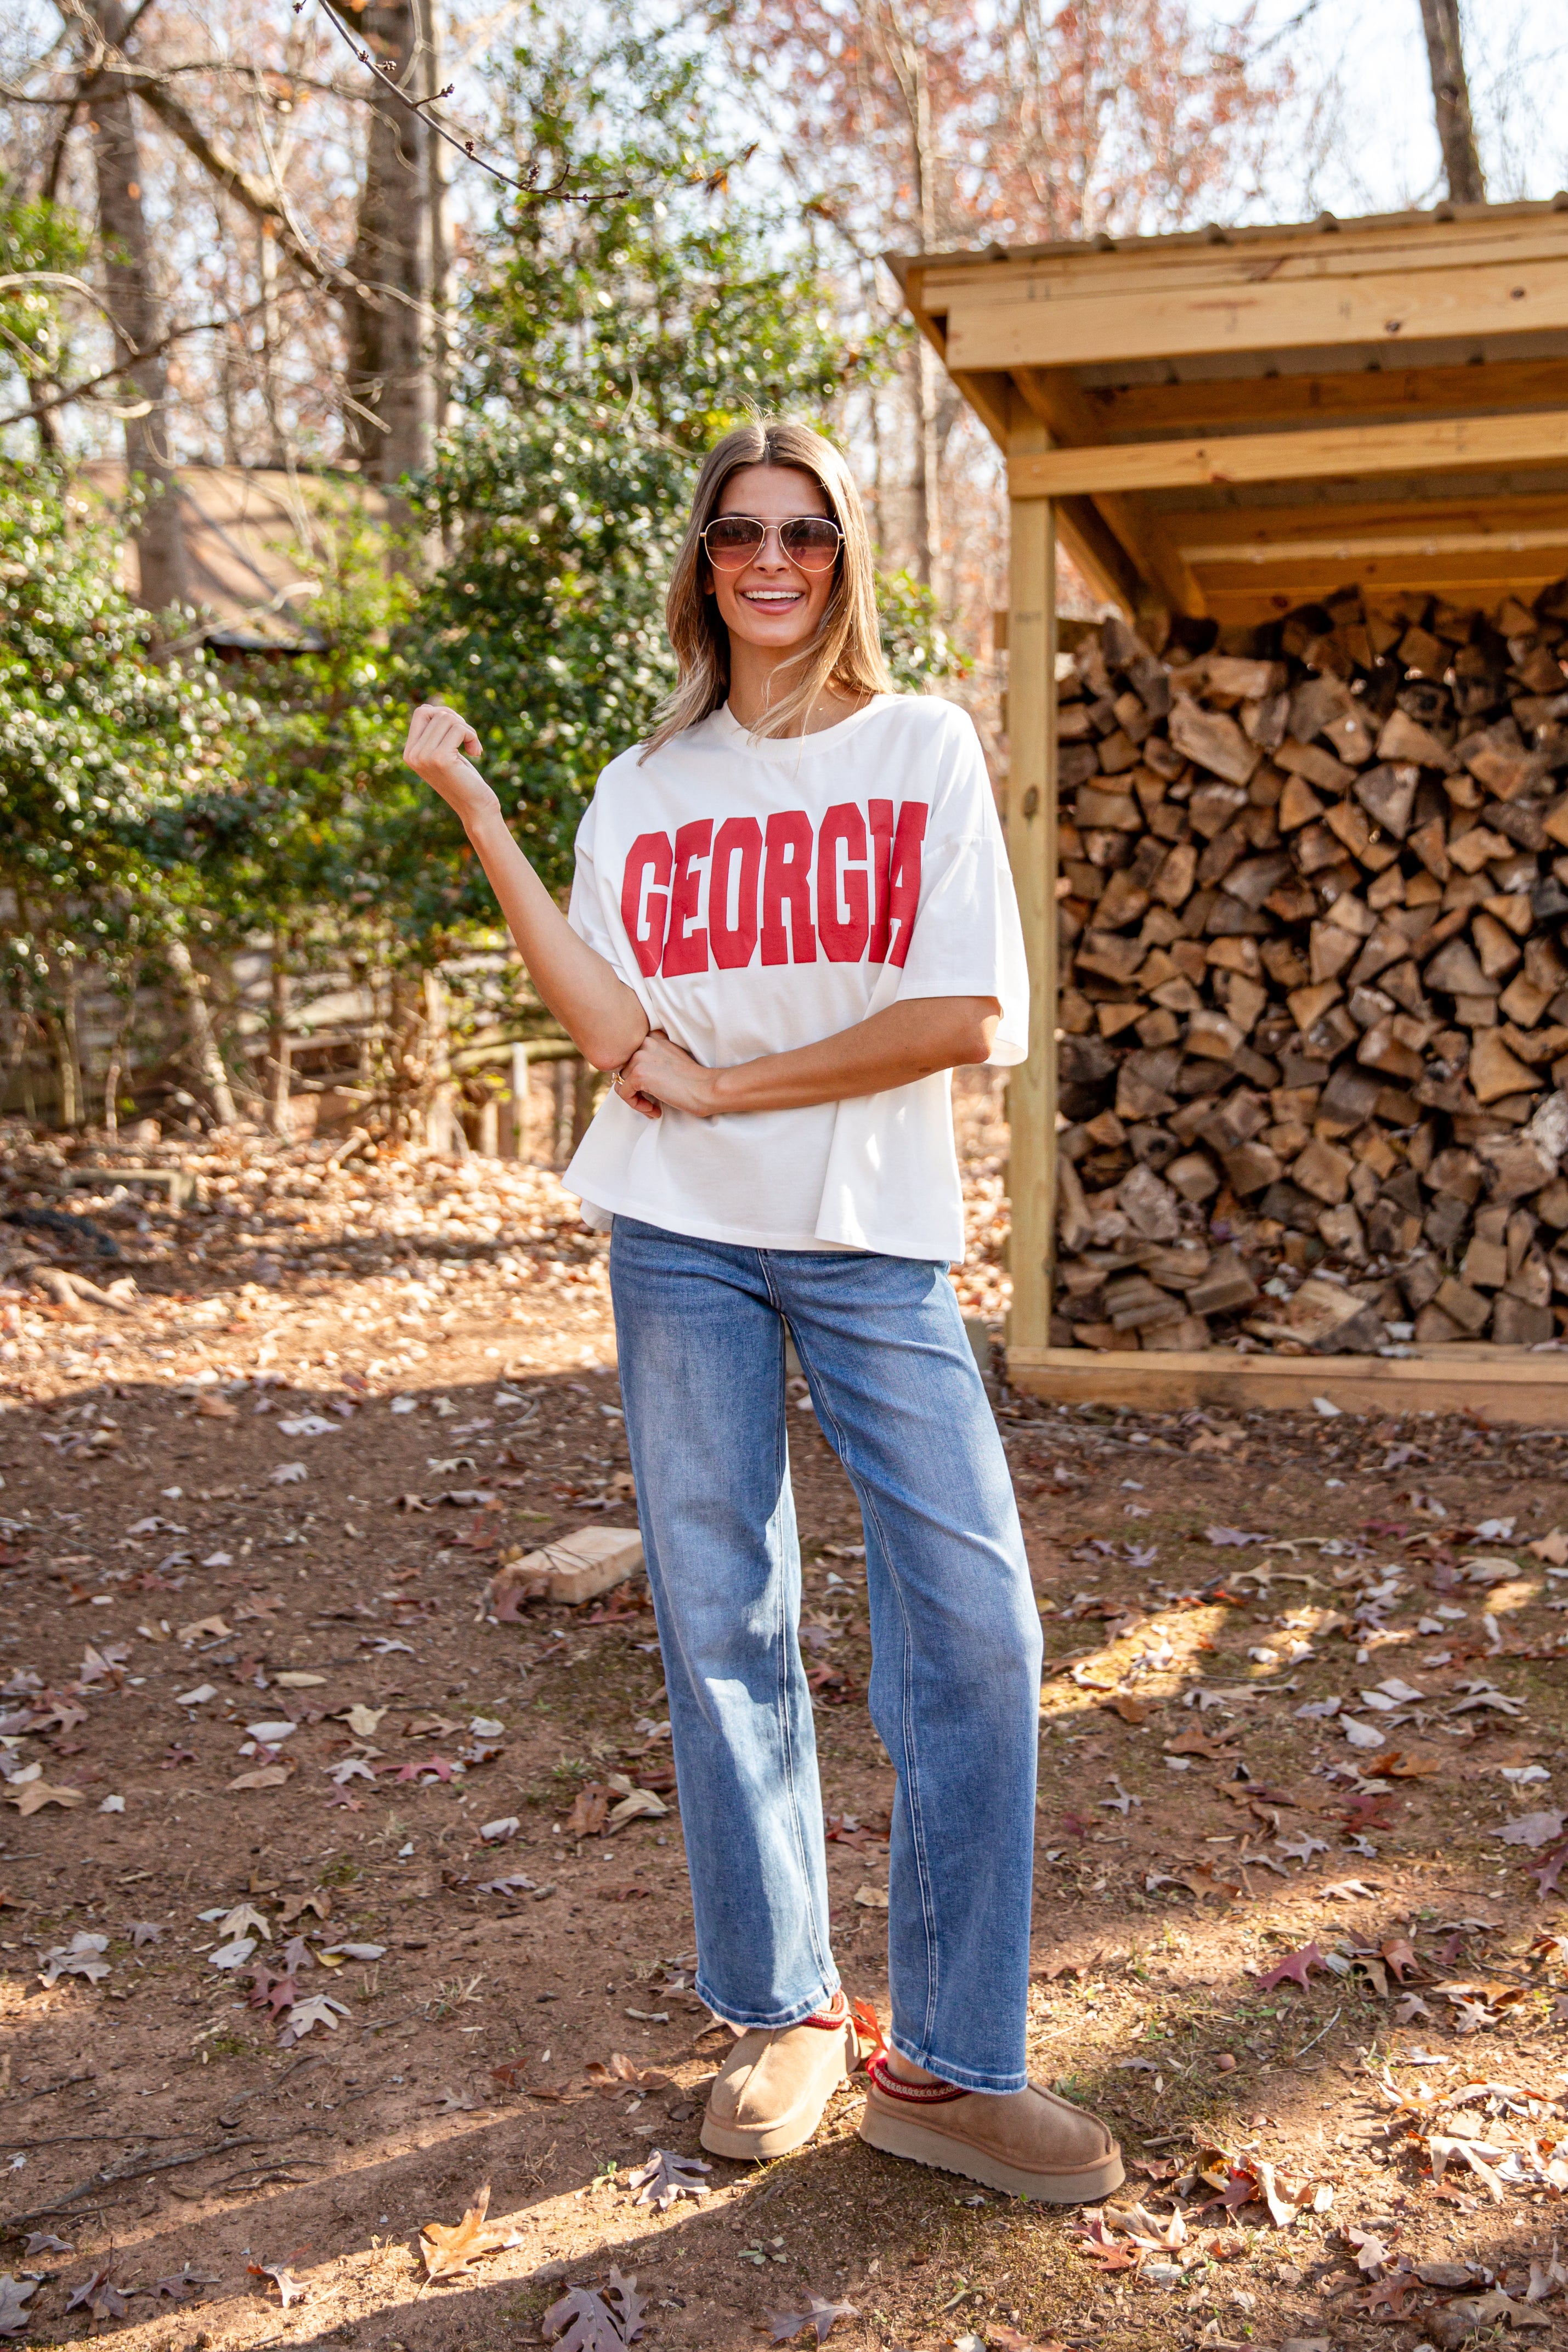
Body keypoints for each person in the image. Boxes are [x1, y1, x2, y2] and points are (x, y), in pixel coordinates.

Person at [402, 416, 1123, 2204]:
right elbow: (604, 1025)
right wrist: (481, 814)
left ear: (846, 554)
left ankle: (949, 2075)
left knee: (973, 1629)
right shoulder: (648, 784)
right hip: (676, 1243)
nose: (773, 560)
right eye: (741, 532)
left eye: (806, 530)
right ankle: (787, 2012)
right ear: (702, 560)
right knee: (723, 1624)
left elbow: (967, 1014)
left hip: (873, 1239)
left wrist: (737, 1089)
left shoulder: (918, 747)